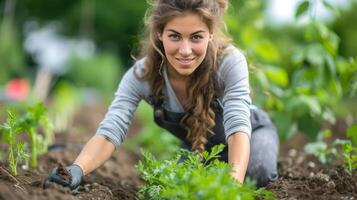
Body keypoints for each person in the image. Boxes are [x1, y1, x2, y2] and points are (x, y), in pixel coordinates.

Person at [45, 0, 279, 193]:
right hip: (198, 150)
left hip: (251, 135)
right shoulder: (142, 76)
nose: (185, 50)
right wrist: (76, 170)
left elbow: (238, 125)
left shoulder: (229, 62)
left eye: (196, 37)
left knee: (257, 173)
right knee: (173, 188)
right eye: (175, 36)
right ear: (160, 33)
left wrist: (230, 187)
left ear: (210, 34)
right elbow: (111, 131)